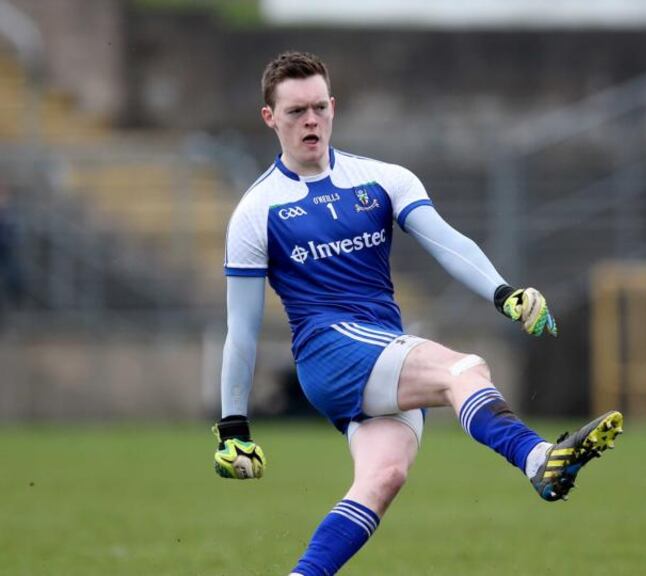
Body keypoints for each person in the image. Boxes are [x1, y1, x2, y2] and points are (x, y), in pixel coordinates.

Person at [213, 51, 623, 576]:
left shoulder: (382, 179)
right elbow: (241, 331)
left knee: (382, 480)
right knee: (464, 370)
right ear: (270, 118)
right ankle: (538, 459)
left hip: (382, 348)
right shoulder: (255, 211)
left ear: (334, 107)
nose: (310, 120)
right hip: (329, 353)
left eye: (318, 107)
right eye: (295, 112)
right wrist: (233, 428)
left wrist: (506, 294)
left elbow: (446, 242)